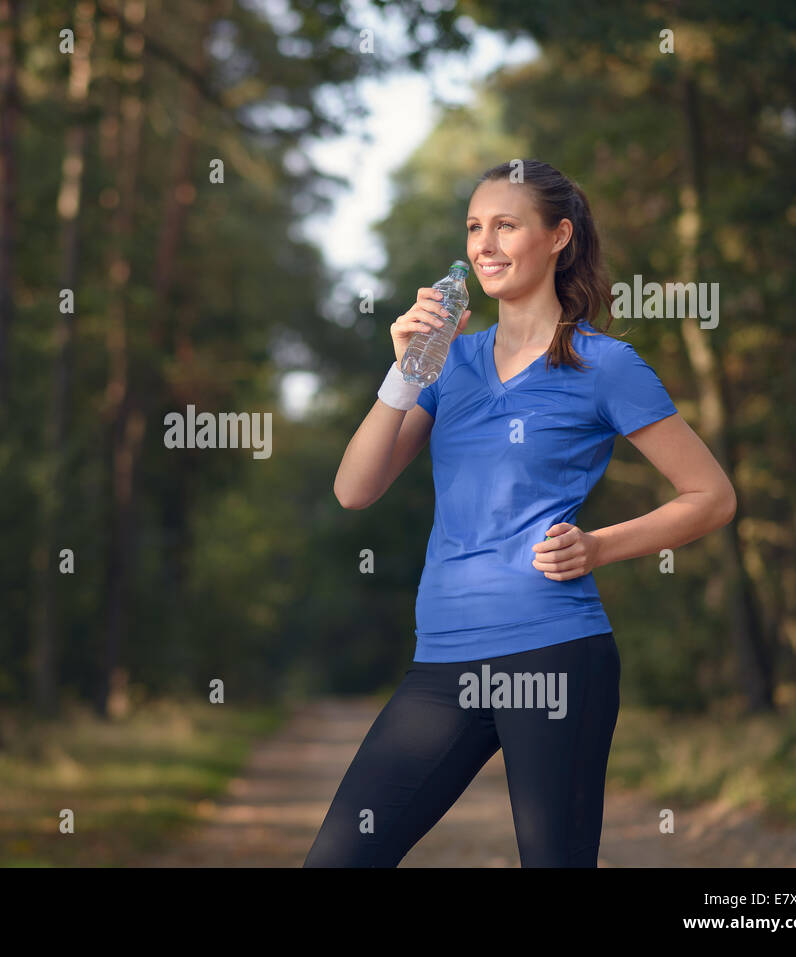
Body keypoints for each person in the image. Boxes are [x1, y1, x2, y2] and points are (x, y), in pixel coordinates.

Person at [303, 159, 736, 867]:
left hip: (556, 652)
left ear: (558, 235)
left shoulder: (605, 365)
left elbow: (712, 496)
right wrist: (405, 371)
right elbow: (355, 488)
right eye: (475, 227)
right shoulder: (448, 365)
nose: (485, 244)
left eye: (506, 225)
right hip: (443, 661)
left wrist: (598, 546)